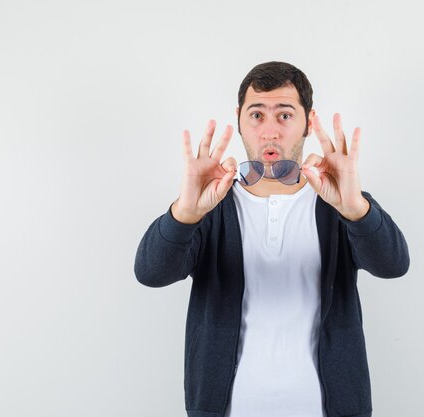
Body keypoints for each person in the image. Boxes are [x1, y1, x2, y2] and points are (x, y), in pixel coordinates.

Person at [135, 61, 409, 417]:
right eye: (256, 115)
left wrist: (357, 208)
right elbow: (151, 273)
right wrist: (185, 214)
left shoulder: (338, 199)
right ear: (238, 120)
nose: (269, 132)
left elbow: (393, 265)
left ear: (308, 122)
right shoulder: (210, 204)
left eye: (284, 115)